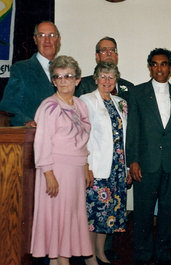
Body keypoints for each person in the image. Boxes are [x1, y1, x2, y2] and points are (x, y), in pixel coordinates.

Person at [126, 48, 171, 265]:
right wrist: (132, 160)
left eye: (163, 64)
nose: (159, 68)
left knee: (168, 212)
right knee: (143, 212)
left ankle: (164, 254)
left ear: (170, 68)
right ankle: (142, 255)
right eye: (154, 64)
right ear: (149, 67)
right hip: (146, 163)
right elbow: (132, 129)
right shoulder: (137, 92)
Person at [30, 55, 92, 265]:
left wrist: (85, 167)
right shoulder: (48, 107)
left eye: (68, 76)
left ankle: (61, 261)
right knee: (57, 220)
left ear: (78, 80)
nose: (63, 80)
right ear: (53, 81)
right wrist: (48, 174)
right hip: (56, 170)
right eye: (58, 77)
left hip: (75, 171)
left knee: (68, 220)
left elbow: (83, 143)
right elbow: (42, 143)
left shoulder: (81, 106)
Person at [79, 62, 131, 265]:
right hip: (96, 166)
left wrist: (126, 166)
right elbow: (83, 135)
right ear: (96, 78)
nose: (107, 81)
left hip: (117, 167)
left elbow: (125, 136)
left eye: (111, 77)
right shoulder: (86, 100)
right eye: (103, 77)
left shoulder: (121, 102)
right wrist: (86, 165)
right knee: (93, 214)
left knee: (108, 215)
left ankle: (101, 252)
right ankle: (89, 255)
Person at [0, 21, 60, 126]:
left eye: (51, 35)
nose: (47, 40)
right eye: (42, 35)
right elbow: (8, 106)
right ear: (35, 40)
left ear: (58, 40)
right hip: (35, 136)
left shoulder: (67, 69)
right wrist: (27, 122)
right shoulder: (21, 70)